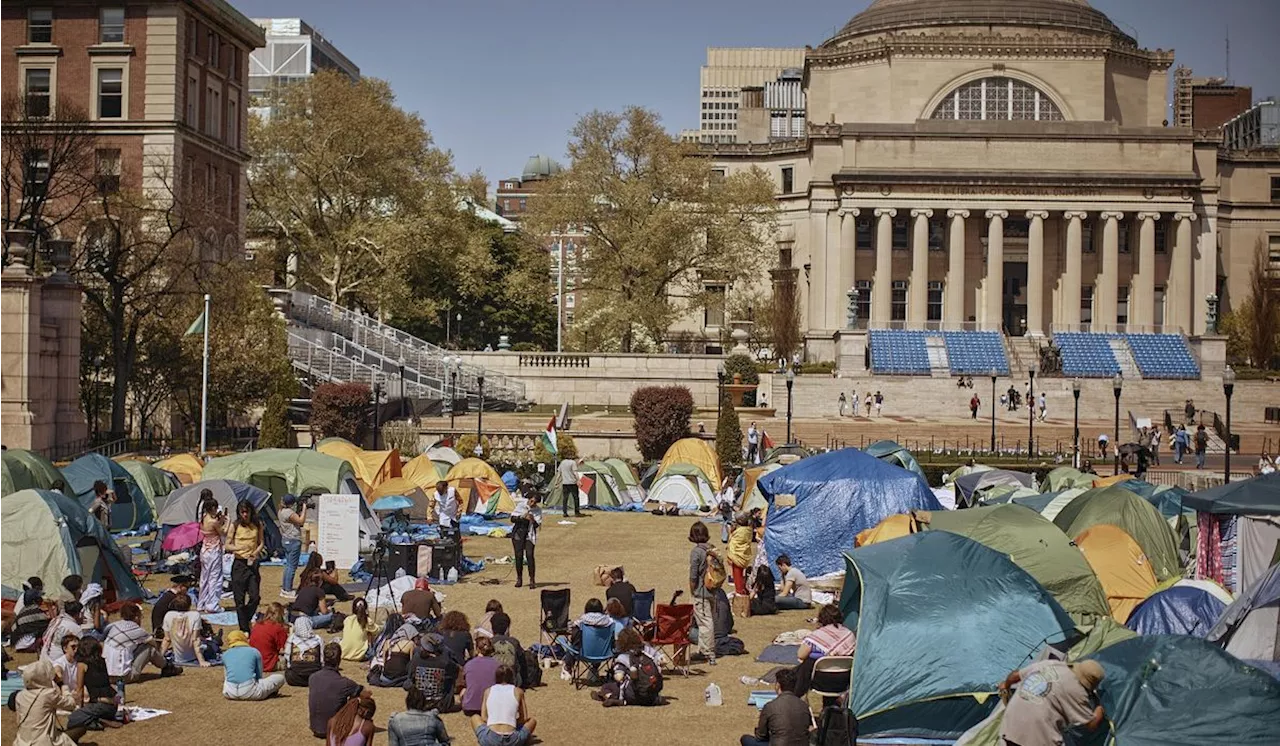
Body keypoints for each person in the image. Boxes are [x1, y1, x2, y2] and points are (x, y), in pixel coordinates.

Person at [998, 659, 1106, 746]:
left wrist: (1005, 685)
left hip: (1009, 727)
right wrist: (1101, 707)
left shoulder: (1050, 663)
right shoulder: (1079, 693)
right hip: (1037, 740)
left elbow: (1015, 676)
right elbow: (1091, 725)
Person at [12, 659, 82, 746]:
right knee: (81, 727)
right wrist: (63, 686)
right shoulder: (48, 694)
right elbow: (71, 704)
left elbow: (18, 721)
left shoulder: (20, 695)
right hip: (43, 742)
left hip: (22, 742)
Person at [104, 602, 178, 682]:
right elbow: (154, 645)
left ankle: (167, 666)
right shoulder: (136, 630)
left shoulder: (114, 626)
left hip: (107, 675)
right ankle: (167, 667)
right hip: (125, 677)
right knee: (149, 648)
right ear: (136, 617)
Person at [794, 603, 856, 697]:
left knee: (808, 663)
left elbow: (801, 655)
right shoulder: (849, 635)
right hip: (842, 682)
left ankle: (794, 696)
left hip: (820, 682)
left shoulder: (817, 635)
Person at [309, 642, 367, 739]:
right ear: (339, 660)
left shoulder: (313, 678)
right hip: (335, 730)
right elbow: (366, 694)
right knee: (356, 700)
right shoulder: (344, 683)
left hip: (315, 728)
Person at [740, 667, 811, 746]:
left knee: (745, 739)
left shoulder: (770, 706)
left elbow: (761, 736)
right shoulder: (804, 706)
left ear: (778, 685)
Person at [591, 627, 659, 707]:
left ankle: (611, 697)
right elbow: (660, 659)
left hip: (632, 693)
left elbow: (619, 676)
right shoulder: (648, 651)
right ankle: (654, 699)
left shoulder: (624, 657)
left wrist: (616, 675)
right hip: (651, 691)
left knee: (606, 687)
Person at [471, 664, 536, 746]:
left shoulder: (488, 691)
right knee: (532, 721)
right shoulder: (518, 691)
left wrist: (494, 722)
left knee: (475, 718)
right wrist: (511, 722)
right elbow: (524, 718)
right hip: (512, 739)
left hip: (491, 738)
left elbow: (484, 718)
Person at [68, 637, 121, 733]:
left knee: (73, 719)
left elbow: (79, 690)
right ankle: (100, 719)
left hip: (100, 704)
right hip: (112, 706)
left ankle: (98, 722)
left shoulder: (82, 665)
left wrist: (79, 708)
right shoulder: (101, 661)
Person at [228, 498, 265, 633]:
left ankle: (246, 617)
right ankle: (244, 628)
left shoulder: (257, 524)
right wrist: (238, 548)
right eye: (242, 512)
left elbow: (261, 542)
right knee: (239, 599)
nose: (244, 515)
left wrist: (255, 552)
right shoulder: (235, 525)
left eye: (246, 512)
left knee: (255, 596)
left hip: (252, 563)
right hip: (239, 563)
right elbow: (227, 544)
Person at [222, 630, 286, 701]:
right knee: (280, 678)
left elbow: (226, 676)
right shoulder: (254, 652)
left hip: (229, 692)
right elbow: (259, 675)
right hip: (250, 692)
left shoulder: (225, 654)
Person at [687, 521, 717, 665]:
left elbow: (693, 574)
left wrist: (692, 589)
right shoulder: (712, 549)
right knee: (707, 621)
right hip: (712, 589)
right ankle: (705, 650)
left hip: (701, 591)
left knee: (705, 623)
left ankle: (707, 652)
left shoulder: (697, 552)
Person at [406, 632, 459, 713]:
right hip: (441, 704)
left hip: (419, 703)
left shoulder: (416, 660)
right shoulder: (446, 662)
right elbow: (455, 674)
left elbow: (410, 677)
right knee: (450, 680)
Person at [160, 593, 213, 667]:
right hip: (193, 656)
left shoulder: (169, 615)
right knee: (213, 645)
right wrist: (201, 661)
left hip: (178, 657)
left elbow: (167, 639)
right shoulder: (195, 615)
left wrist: (159, 657)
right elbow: (195, 639)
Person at [388, 687, 452, 746]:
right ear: (424, 703)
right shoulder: (432, 718)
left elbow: (393, 744)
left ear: (407, 702)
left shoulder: (395, 720)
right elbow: (446, 742)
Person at [196, 491, 227, 612]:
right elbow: (223, 532)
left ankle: (201, 603)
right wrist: (226, 521)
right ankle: (212, 605)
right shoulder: (213, 522)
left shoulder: (204, 518)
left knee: (204, 577)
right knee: (215, 577)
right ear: (213, 508)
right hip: (213, 551)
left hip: (205, 550)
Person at [510, 486, 542, 589]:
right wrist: (523, 517)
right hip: (518, 533)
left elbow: (537, 525)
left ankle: (532, 579)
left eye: (535, 503)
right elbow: (512, 518)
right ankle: (519, 579)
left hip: (529, 534)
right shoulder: (521, 505)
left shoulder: (537, 510)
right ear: (529, 499)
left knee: (529, 555)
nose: (532, 504)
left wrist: (532, 519)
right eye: (531, 501)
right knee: (518, 556)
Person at [461, 635, 500, 717]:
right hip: (491, 707)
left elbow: (465, 684)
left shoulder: (469, 664)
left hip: (470, 707)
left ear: (477, 649)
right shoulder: (497, 665)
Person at [278, 493, 308, 600]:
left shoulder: (281, 511)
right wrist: (304, 508)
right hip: (293, 540)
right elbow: (301, 521)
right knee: (292, 567)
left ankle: (285, 588)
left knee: (288, 566)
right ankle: (288, 590)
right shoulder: (289, 513)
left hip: (286, 540)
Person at [488, 612, 528, 690]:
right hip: (513, 682)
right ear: (507, 628)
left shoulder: (489, 643)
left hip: (493, 682)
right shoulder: (514, 642)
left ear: (492, 628)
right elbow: (523, 663)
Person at [285, 615, 325, 687]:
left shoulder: (291, 639)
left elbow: (287, 660)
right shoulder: (318, 640)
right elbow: (322, 660)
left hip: (294, 677)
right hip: (315, 677)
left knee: (288, 674)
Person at [249, 602, 291, 672]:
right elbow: (285, 648)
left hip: (254, 663)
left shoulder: (257, 625)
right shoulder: (278, 628)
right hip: (269, 664)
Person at [340, 598, 379, 662]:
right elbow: (377, 630)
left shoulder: (347, 619)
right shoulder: (367, 621)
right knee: (370, 633)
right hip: (360, 655)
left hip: (344, 653)